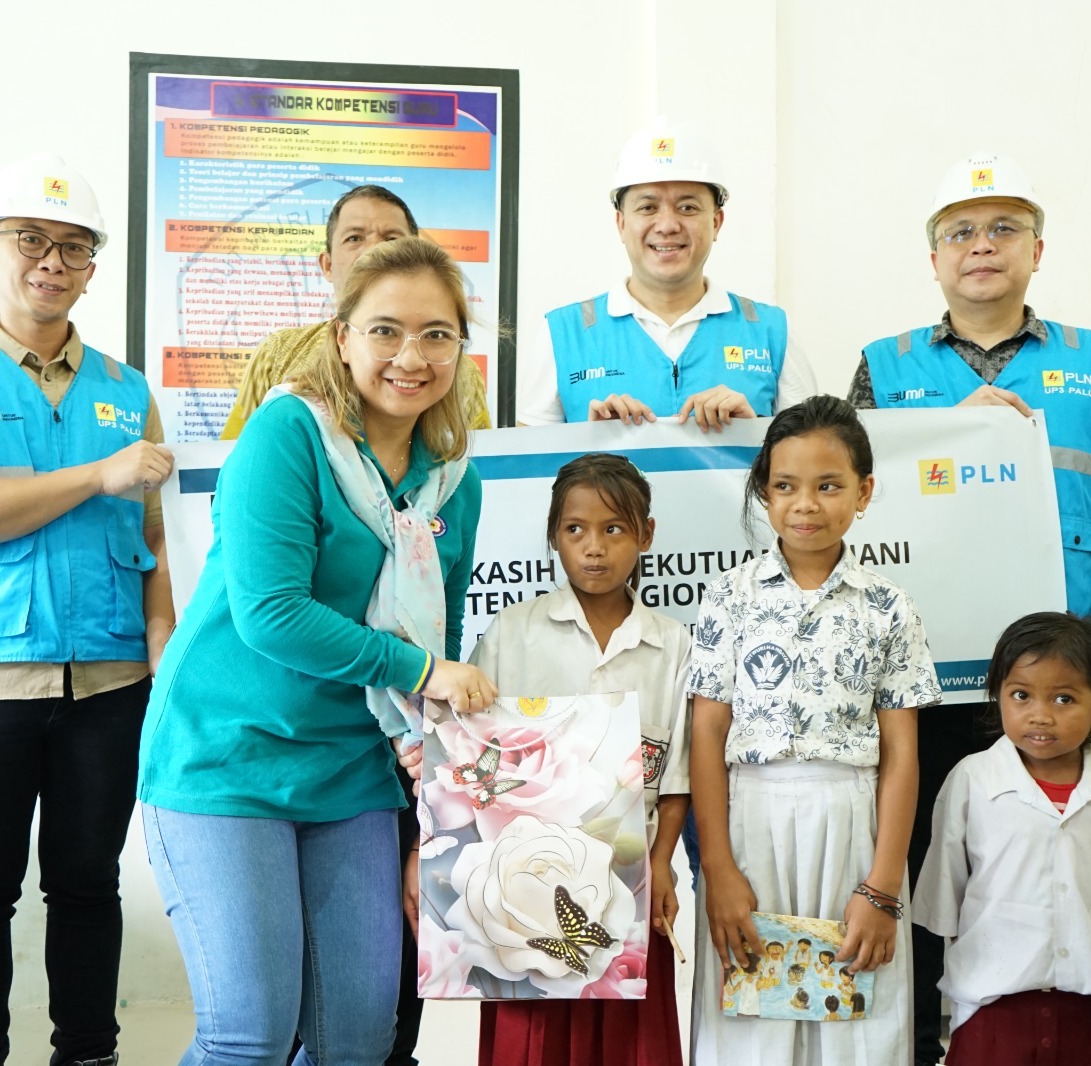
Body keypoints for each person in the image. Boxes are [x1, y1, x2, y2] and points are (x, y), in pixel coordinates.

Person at [137, 236, 497, 1065]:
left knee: (357, 1041)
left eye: (437, 334)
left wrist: (430, 759)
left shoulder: (455, 480)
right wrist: (421, 673)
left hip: (350, 769)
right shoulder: (288, 433)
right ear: (343, 337)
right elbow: (271, 614)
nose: (412, 356)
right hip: (226, 757)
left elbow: (436, 632)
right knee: (249, 1037)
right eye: (386, 331)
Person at [848, 151, 1091, 1066]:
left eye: (1003, 229)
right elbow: (854, 498)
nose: (981, 246)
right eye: (961, 232)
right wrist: (963, 433)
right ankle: (925, 1039)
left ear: (1036, 250)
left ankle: (1060, 1033)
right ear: (935, 259)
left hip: (1055, 672)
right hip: (925, 668)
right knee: (924, 854)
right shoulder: (883, 365)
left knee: (1052, 855)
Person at [0, 153, 174, 1066]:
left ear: (92, 267)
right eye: (30, 240)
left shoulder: (127, 390)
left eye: (75, 247)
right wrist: (96, 474)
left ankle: (87, 1054)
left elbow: (156, 537)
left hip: (110, 678)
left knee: (90, 887)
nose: (53, 261)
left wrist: (165, 656)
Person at [687, 396, 942, 1063]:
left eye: (829, 486)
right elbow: (706, 735)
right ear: (763, 494)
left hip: (853, 825)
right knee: (751, 1022)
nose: (805, 504)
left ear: (864, 492)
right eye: (785, 486)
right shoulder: (729, 596)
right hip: (751, 823)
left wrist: (881, 886)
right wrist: (718, 868)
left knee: (856, 1014)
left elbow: (902, 754)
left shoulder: (889, 607)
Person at [469, 453, 691, 1066]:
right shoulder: (511, 634)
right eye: (575, 529)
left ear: (646, 534)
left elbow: (677, 778)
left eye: (614, 529)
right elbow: (474, 759)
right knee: (531, 1043)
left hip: (631, 885)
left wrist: (663, 864)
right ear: (553, 536)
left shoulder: (672, 645)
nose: (594, 547)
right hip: (525, 887)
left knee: (628, 1043)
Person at [912, 612, 1091, 1064]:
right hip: (992, 1003)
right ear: (998, 696)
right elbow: (943, 892)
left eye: (1064, 698)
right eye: (1021, 695)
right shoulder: (972, 781)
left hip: (1088, 1003)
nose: (1041, 716)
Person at [517, 117, 817, 431]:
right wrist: (592, 442)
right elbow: (527, 460)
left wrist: (754, 433)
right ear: (621, 223)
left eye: (688, 208)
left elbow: (815, 454)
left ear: (716, 222)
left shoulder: (772, 332)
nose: (668, 225)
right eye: (648, 208)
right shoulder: (563, 334)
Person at [220, 184, 491, 439]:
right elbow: (228, 458)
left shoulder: (459, 373)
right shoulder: (277, 354)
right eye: (354, 238)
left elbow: (484, 462)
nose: (374, 249)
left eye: (392, 239)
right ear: (327, 265)